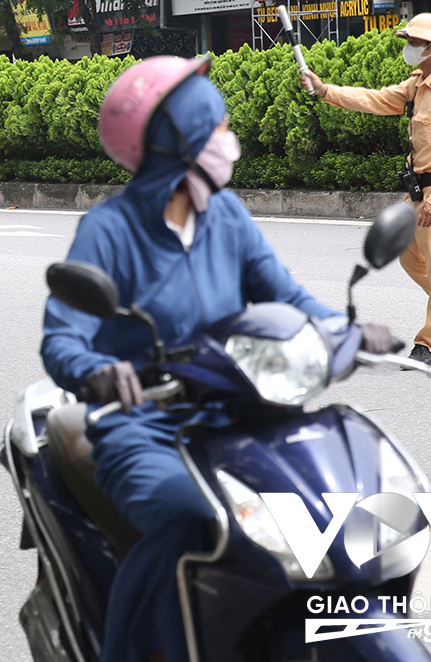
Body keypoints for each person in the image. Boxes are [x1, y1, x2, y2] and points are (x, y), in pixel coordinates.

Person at [40, 56, 393, 662]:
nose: (230, 140)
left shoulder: (226, 216)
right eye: (219, 125)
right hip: (145, 425)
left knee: (335, 501)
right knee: (191, 515)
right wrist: (98, 372)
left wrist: (346, 329)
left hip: (244, 413)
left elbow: (285, 294)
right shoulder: (110, 230)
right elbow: (62, 337)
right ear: (179, 140)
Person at [300, 13, 431, 367]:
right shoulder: (418, 84)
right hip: (416, 190)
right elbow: (376, 99)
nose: (408, 48)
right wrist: (326, 91)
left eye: (413, 42)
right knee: (406, 256)